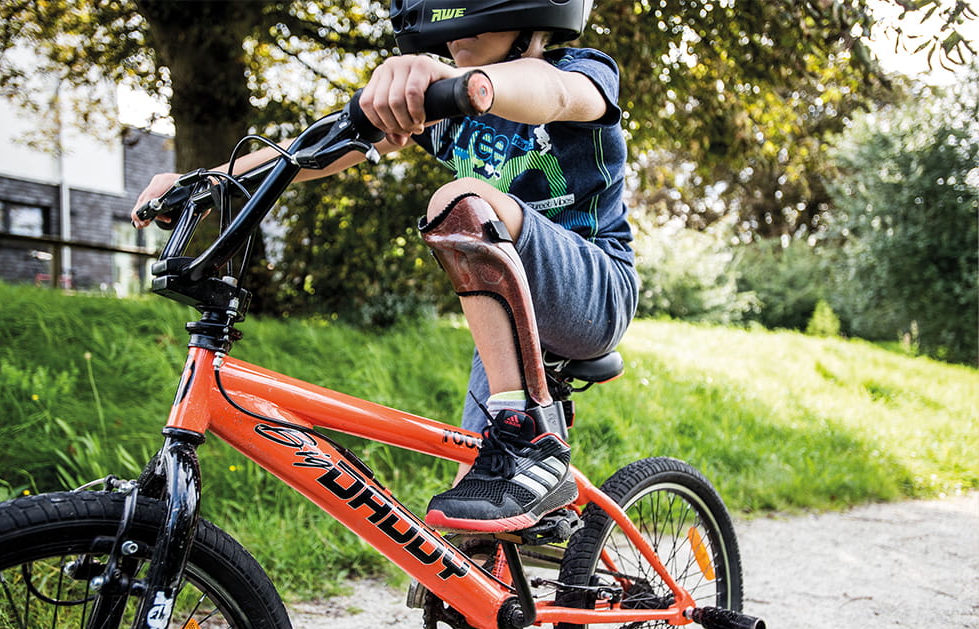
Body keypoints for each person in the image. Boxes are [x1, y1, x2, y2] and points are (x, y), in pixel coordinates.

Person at [132, 0, 637, 534]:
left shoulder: (581, 71)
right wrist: (209, 180)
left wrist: (458, 81)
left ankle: (531, 438)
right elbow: (315, 149)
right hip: (509, 322)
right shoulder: (442, 111)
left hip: (596, 292)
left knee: (461, 199)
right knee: (480, 518)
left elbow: (551, 93)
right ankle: (527, 557)